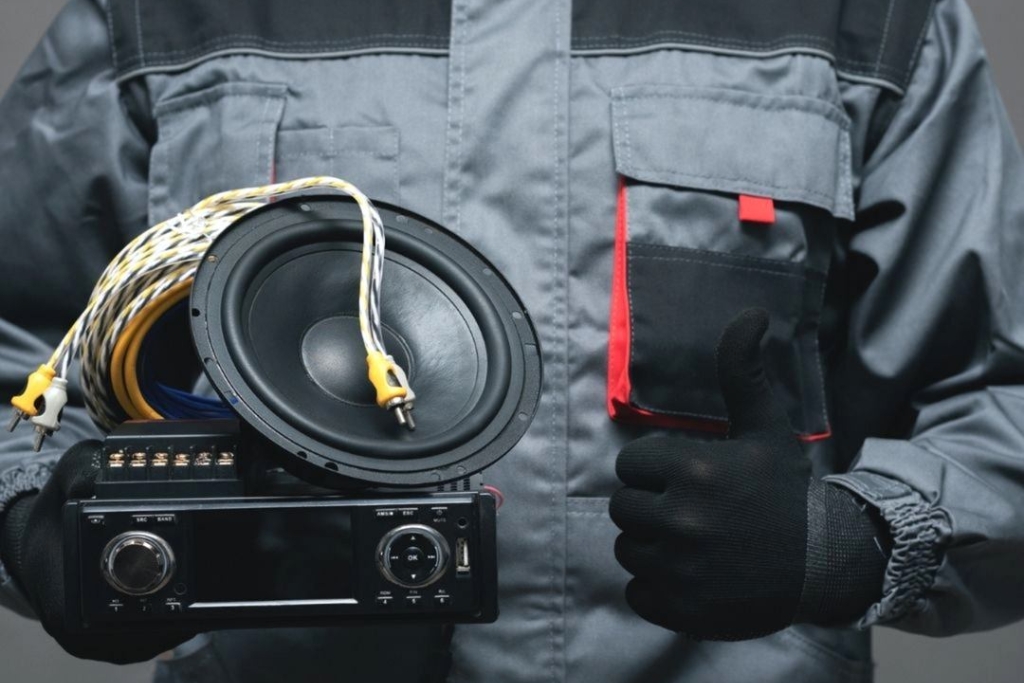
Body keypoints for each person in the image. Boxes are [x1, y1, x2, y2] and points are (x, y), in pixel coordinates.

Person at [1, 0, 1023, 681]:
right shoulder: (163, 8)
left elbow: (1001, 402)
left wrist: (849, 539)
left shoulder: (867, 13)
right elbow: (16, 356)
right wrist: (28, 521)